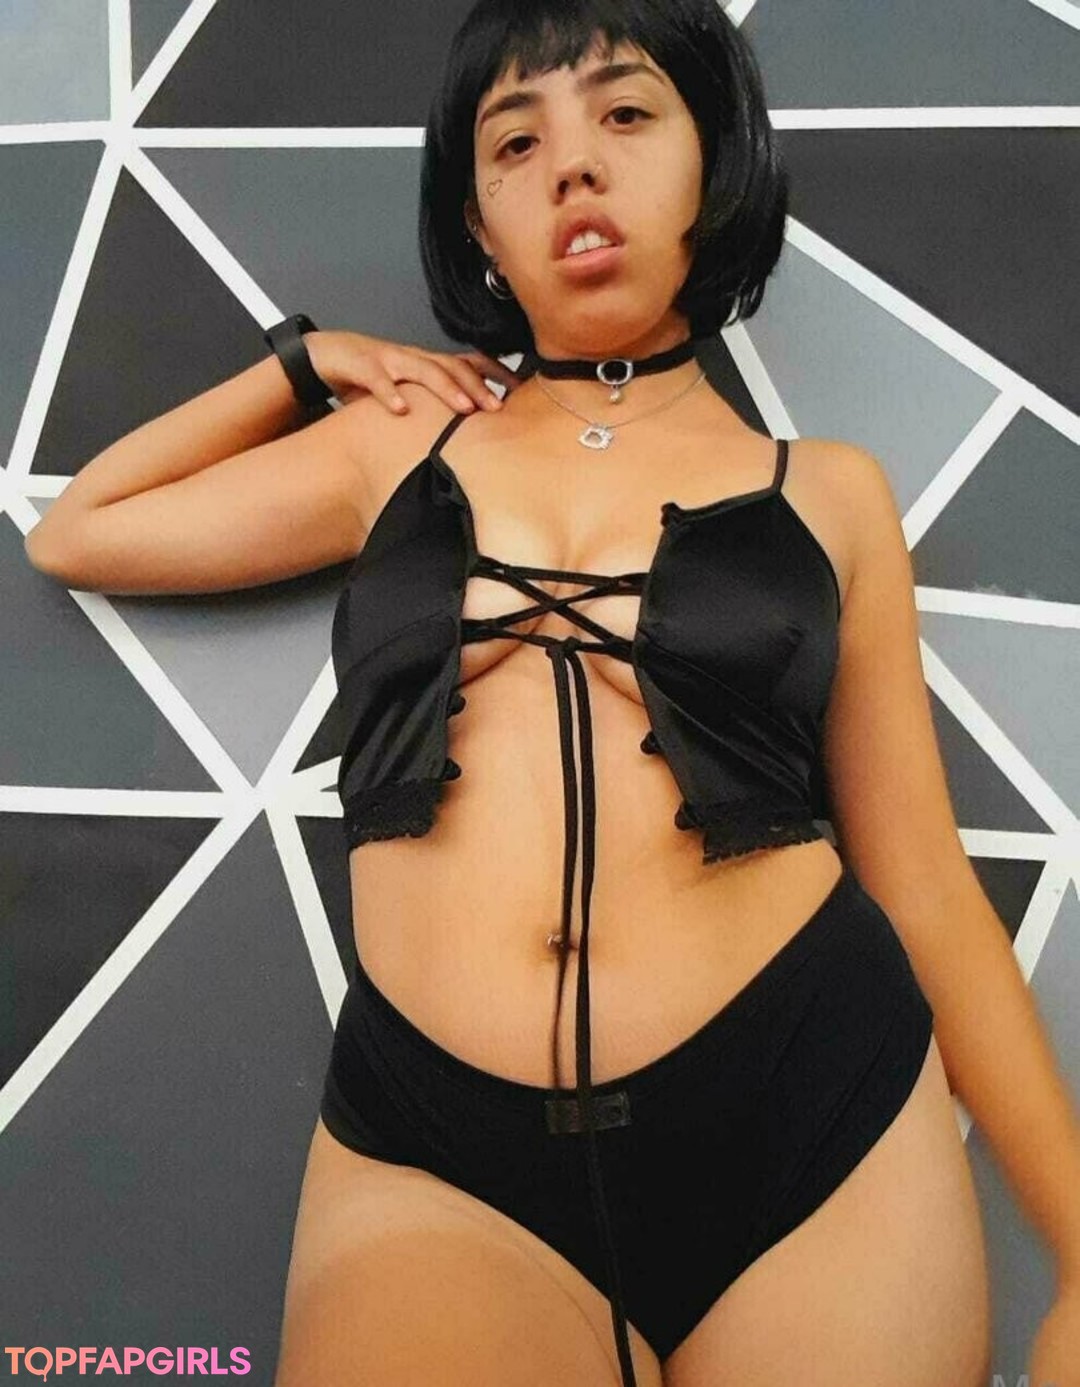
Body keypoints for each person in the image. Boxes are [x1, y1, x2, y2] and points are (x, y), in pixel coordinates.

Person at [25, 2, 1080, 1384]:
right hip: (439, 1152)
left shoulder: (829, 494)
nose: (574, 164)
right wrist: (306, 363)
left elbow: (924, 883)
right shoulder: (396, 444)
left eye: (626, 115)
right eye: (515, 143)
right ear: (478, 222)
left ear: (713, 163)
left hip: (811, 1121)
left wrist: (1079, 1248)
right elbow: (80, 531)